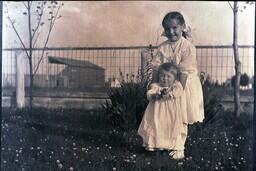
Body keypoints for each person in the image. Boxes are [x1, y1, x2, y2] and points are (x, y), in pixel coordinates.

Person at [152, 11, 205, 125]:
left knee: (181, 115)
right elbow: (156, 69)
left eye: (174, 28)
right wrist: (154, 88)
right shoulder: (162, 48)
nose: (171, 32)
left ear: (182, 27)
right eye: (167, 29)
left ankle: (180, 139)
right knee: (166, 115)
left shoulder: (188, 47)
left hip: (184, 85)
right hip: (166, 84)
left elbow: (184, 72)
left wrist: (176, 92)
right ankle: (166, 138)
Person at [138, 62, 187, 160]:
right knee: (157, 128)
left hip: (171, 114)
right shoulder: (156, 86)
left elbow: (179, 91)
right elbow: (149, 94)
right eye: (162, 76)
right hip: (157, 113)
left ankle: (174, 148)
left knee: (172, 128)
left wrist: (170, 94)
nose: (165, 78)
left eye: (168, 76)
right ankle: (156, 146)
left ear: (174, 77)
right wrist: (154, 95)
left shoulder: (175, 86)